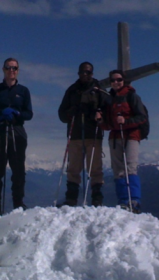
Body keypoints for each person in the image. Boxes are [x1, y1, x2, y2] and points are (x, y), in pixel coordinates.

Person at [0, 58, 33, 217]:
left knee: (18, 170)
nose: (12, 70)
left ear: (18, 70)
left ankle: (18, 203)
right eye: (8, 67)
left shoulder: (24, 91)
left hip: (17, 131)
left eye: (15, 68)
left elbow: (29, 113)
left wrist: (17, 114)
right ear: (3, 69)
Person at [57, 62, 109, 207]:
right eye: (83, 72)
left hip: (93, 134)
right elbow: (61, 114)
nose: (85, 75)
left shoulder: (99, 90)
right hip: (75, 135)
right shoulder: (72, 91)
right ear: (79, 73)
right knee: (73, 168)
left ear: (92, 73)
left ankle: (97, 199)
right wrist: (70, 113)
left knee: (95, 168)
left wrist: (98, 113)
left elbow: (107, 110)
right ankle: (71, 198)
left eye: (88, 72)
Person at [100, 70, 147, 213]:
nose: (116, 82)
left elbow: (142, 117)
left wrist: (125, 121)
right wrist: (100, 120)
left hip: (131, 135)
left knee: (130, 167)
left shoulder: (132, 96)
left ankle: (134, 200)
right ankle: (123, 200)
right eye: (113, 80)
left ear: (123, 80)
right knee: (118, 169)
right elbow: (108, 125)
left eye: (119, 80)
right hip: (115, 137)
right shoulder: (109, 100)